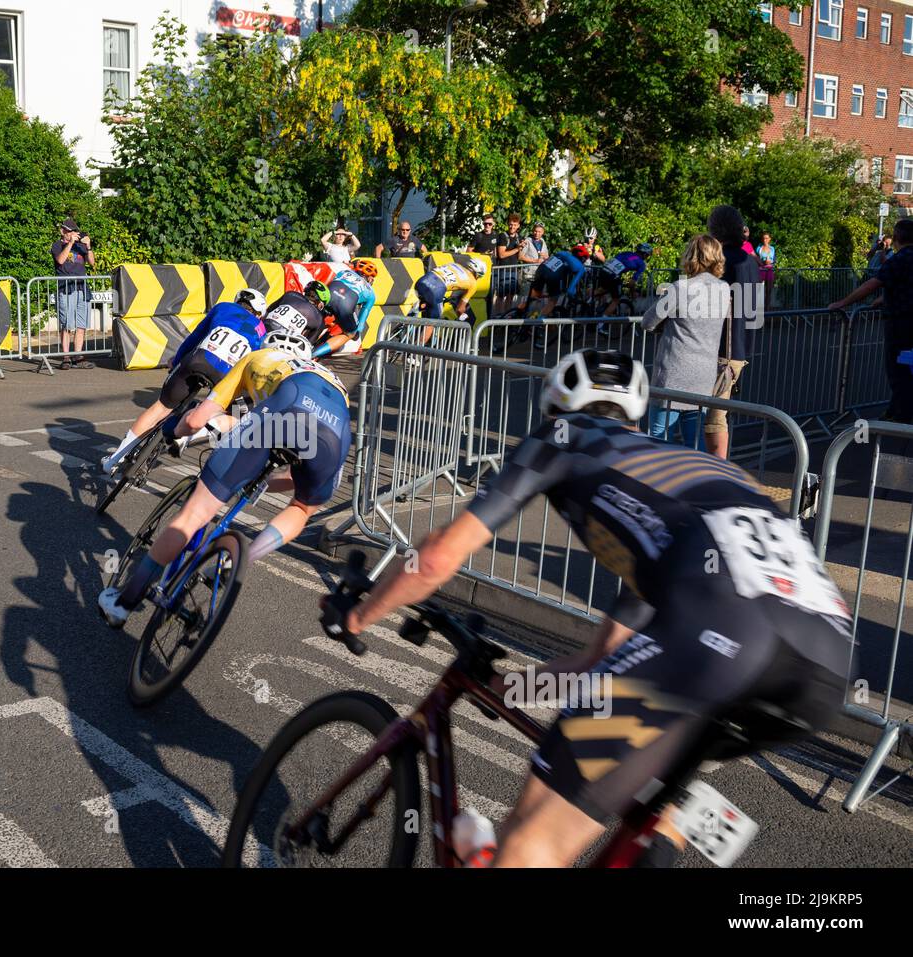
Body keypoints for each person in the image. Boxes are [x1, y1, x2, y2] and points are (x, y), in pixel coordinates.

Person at [321, 348, 850, 868]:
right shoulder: (672, 484)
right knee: (652, 794)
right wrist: (510, 689)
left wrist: (359, 613)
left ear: (556, 405)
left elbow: (437, 556)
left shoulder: (563, 438)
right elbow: (610, 660)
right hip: (825, 664)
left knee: (535, 835)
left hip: (718, 637)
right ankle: (663, 831)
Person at [98, 331, 352, 627]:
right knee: (302, 509)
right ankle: (241, 558)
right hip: (336, 435)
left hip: (286, 408)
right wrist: (259, 482)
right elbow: (303, 481)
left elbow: (195, 420)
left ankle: (123, 602)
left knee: (195, 514)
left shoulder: (255, 358)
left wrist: (172, 432)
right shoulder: (330, 378)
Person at [101, 288, 268, 474]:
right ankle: (189, 433)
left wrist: (177, 361)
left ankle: (115, 460)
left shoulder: (223, 307)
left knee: (160, 408)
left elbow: (195, 338)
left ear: (238, 300)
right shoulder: (261, 329)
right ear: (259, 313)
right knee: (229, 413)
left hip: (198, 360)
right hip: (225, 375)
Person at [641, 235, 728, 447]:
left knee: (659, 440)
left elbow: (648, 322)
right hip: (703, 377)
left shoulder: (680, 288)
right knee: (694, 444)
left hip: (673, 376)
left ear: (692, 256)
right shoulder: (724, 289)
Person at [829, 218, 913, 423]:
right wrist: (884, 298)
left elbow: (873, 283)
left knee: (897, 369)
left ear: (898, 237)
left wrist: (843, 302)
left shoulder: (900, 258)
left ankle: (901, 415)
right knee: (908, 368)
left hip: (900, 324)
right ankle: (896, 409)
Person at [704, 205, 761, 460]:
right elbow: (754, 310)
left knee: (714, 418)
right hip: (740, 346)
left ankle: (716, 471)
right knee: (720, 413)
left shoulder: (721, 260)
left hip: (720, 348)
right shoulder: (749, 261)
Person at [413, 254, 488, 348]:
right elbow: (460, 308)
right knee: (432, 322)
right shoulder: (473, 283)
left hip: (421, 281)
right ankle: (413, 354)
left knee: (426, 306)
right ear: (477, 274)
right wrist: (462, 316)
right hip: (435, 290)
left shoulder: (455, 265)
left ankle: (407, 323)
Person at [51, 217, 97, 371]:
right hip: (66, 288)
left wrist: (88, 247)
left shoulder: (81, 246)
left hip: (82, 288)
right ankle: (66, 357)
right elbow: (61, 261)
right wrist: (70, 244)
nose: (74, 234)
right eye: (71, 232)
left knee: (81, 325)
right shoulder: (57, 245)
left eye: (75, 232)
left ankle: (78, 356)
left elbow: (92, 263)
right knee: (66, 324)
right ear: (63, 231)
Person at [314, 261, 376, 357]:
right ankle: (313, 354)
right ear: (370, 278)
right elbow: (362, 319)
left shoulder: (344, 272)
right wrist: (357, 331)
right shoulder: (371, 292)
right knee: (351, 333)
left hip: (329, 297)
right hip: (345, 306)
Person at [595, 242, 653, 316]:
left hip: (604, 269)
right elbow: (632, 283)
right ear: (645, 254)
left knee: (603, 289)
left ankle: (587, 301)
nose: (647, 257)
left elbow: (618, 261)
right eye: (647, 255)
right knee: (616, 300)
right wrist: (632, 293)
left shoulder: (627, 253)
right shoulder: (641, 264)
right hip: (613, 275)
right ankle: (600, 325)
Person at [494, 214, 524, 306]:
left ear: (518, 226)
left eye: (514, 225)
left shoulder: (519, 237)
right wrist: (517, 249)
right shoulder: (503, 236)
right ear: (508, 224)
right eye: (511, 224)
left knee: (510, 296)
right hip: (503, 270)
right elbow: (501, 254)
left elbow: (519, 257)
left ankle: (506, 317)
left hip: (514, 270)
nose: (512, 227)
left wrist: (521, 248)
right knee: (501, 296)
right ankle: (498, 316)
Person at [756, 232, 777, 308]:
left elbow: (775, 260)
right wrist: (763, 262)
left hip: (770, 269)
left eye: (766, 238)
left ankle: (767, 308)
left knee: (769, 290)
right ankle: (757, 306)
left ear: (769, 239)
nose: (765, 240)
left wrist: (771, 262)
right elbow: (756, 259)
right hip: (761, 269)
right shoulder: (759, 248)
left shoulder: (772, 248)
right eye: (763, 238)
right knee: (758, 289)